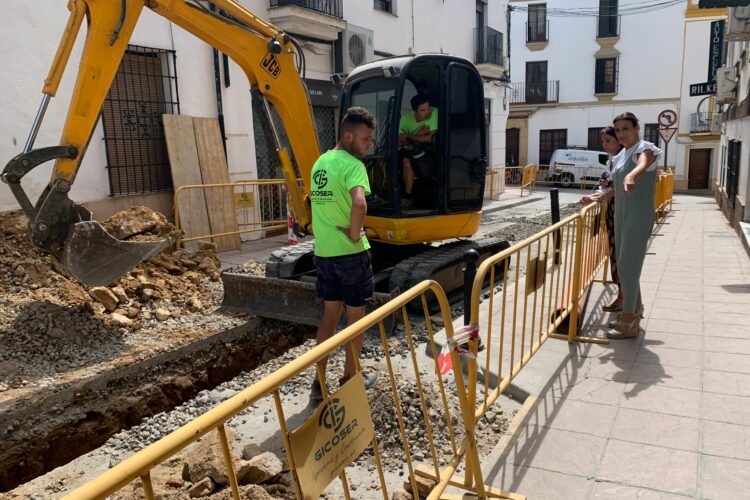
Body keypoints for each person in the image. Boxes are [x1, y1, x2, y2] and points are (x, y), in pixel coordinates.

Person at [309, 106, 378, 401]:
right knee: (355, 320)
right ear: (347, 135)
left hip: (324, 254)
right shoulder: (353, 165)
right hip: (350, 256)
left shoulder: (320, 163)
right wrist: (353, 233)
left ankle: (319, 382)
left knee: (329, 315)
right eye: (365, 138)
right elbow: (359, 204)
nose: (369, 144)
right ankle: (350, 377)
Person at [607, 112, 662, 339]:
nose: (621, 134)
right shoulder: (621, 156)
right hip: (621, 214)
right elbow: (618, 186)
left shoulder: (644, 148)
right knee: (624, 264)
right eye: (618, 130)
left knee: (628, 265)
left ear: (636, 128)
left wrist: (632, 176)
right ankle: (635, 309)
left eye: (626, 129)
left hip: (638, 215)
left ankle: (629, 317)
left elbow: (643, 162)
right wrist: (600, 197)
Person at [580, 126, 623, 312]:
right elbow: (606, 189)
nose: (604, 145)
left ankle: (625, 298)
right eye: (603, 141)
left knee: (621, 257)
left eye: (608, 141)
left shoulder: (623, 161)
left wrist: (599, 196)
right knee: (615, 254)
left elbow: (616, 189)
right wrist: (595, 197)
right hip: (612, 212)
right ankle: (623, 296)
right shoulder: (613, 161)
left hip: (620, 213)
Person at [398, 94, 438, 210]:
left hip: (428, 150)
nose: (427, 112)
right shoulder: (406, 118)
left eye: (428, 108)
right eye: (423, 110)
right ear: (414, 111)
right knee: (406, 161)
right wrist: (421, 133)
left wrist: (410, 137)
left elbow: (432, 138)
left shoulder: (434, 112)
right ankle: (407, 197)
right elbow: (400, 140)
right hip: (408, 149)